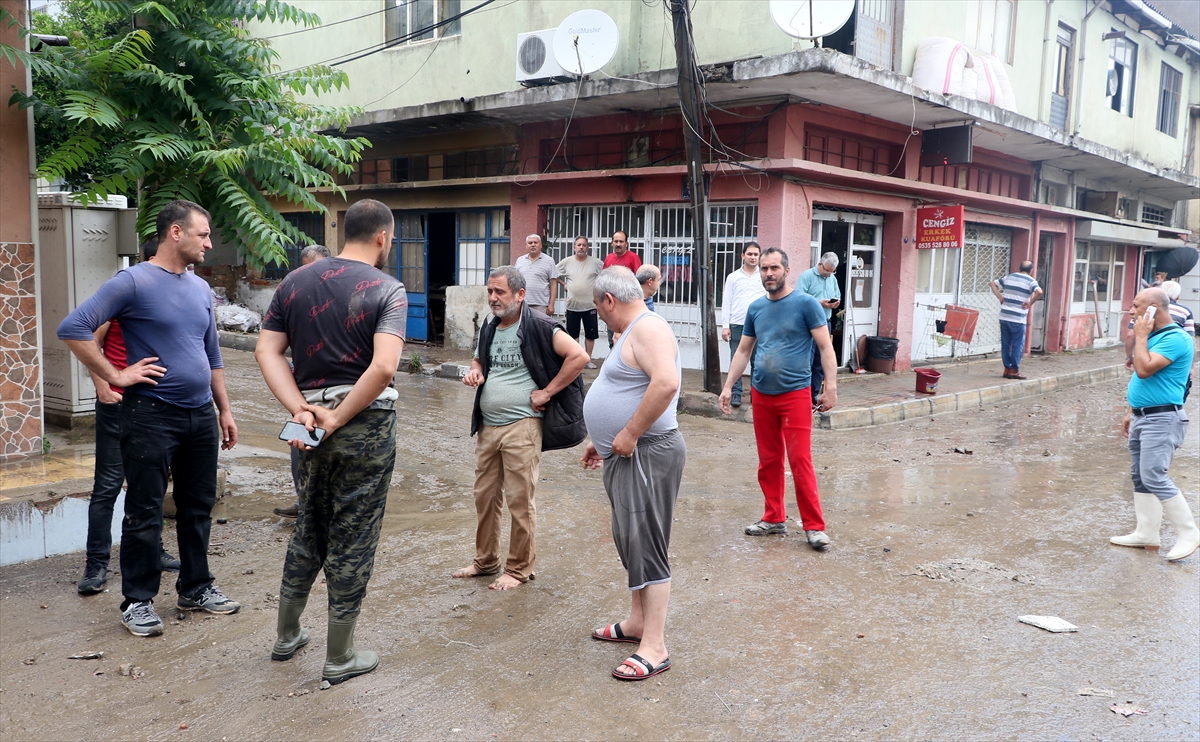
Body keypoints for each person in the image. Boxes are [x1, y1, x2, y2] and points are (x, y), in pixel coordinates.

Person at [58, 200, 240, 637]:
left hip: (199, 416)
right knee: (144, 510)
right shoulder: (133, 282)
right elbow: (74, 327)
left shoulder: (198, 289)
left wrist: (225, 409)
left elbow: (211, 353)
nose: (209, 243)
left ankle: (195, 587)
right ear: (175, 233)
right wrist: (115, 375)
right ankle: (138, 600)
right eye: (203, 234)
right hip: (151, 415)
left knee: (198, 507)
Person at [255, 199, 408, 685]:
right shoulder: (388, 289)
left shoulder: (295, 282)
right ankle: (339, 656)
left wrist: (300, 408)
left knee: (310, 523)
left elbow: (267, 350)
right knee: (354, 534)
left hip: (305, 422)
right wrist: (339, 416)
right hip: (362, 420)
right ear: (383, 237)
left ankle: (286, 636)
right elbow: (383, 367)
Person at [454, 266, 589, 590]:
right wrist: (476, 372)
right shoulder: (490, 326)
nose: (493, 298)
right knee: (484, 497)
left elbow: (579, 356)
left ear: (520, 295)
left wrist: (547, 392)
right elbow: (478, 360)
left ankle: (518, 569)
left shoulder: (542, 326)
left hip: (523, 427)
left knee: (519, 499)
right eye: (490, 291)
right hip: (488, 427)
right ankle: (485, 561)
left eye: (499, 292)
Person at [582, 267, 684, 681]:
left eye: (598, 308)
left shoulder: (648, 328)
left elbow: (666, 383)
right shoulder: (630, 332)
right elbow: (626, 388)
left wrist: (628, 432)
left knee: (648, 543)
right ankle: (638, 623)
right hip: (626, 454)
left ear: (609, 300)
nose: (600, 316)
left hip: (648, 452)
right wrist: (602, 437)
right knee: (631, 541)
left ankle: (654, 646)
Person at [77, 240, 181, 595]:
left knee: (151, 486)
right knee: (107, 485)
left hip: (156, 407)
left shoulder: (173, 294)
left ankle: (155, 551)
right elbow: (87, 334)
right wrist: (105, 384)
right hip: (119, 403)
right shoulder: (126, 289)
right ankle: (96, 564)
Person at [719, 247, 836, 550]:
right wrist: (728, 386)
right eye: (764, 269)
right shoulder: (756, 308)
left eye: (774, 268)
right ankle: (774, 517)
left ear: (787, 270)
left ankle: (814, 527)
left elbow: (825, 347)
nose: (768, 274)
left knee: (800, 461)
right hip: (761, 394)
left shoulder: (806, 304)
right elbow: (743, 351)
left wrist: (831, 386)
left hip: (795, 394)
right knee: (768, 461)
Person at [1110, 288, 1197, 562]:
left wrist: (1140, 335)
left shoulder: (1176, 339)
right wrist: (1131, 410)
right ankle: (1146, 533)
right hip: (1143, 415)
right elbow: (1146, 381)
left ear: (1153, 310)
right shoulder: (1156, 337)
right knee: (1140, 475)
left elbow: (1144, 369)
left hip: (1162, 418)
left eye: (1136, 306)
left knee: (1153, 475)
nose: (1131, 311)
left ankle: (1189, 532)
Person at [274, 243, 332, 520]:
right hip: (302, 388)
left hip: (334, 392)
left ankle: (323, 506)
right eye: (305, 268)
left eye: (316, 268)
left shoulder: (337, 300)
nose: (310, 275)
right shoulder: (294, 299)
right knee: (298, 446)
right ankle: (303, 500)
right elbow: (272, 349)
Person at [721, 243, 766, 408]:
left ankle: (756, 394)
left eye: (756, 254)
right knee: (736, 359)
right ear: (743, 256)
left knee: (758, 361)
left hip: (759, 325)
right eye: (750, 254)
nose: (753, 257)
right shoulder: (733, 277)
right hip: (737, 324)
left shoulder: (763, 276)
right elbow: (727, 302)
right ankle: (736, 393)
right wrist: (726, 326)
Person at [798, 252, 841, 405]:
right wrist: (819, 303)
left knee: (819, 362)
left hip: (826, 322)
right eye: (827, 270)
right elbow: (799, 299)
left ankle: (813, 396)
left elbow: (837, 294)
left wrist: (835, 303)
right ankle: (802, 397)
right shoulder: (806, 276)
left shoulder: (832, 278)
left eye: (832, 271)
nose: (829, 274)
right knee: (807, 361)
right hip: (809, 325)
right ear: (820, 264)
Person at [989, 260, 1043, 380]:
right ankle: (1014, 370)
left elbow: (992, 284)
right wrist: (1030, 303)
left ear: (1020, 268)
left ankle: (1006, 369)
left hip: (1004, 316)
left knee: (1006, 344)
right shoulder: (1031, 281)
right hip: (1018, 319)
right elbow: (1039, 291)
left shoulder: (1009, 277)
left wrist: (1000, 297)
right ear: (1031, 270)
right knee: (1017, 345)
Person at [555, 236, 603, 368]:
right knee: (573, 335)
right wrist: (564, 284)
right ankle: (577, 359)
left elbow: (605, 276)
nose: (581, 247)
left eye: (584, 245)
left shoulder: (596, 263)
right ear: (574, 247)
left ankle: (587, 359)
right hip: (573, 306)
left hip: (590, 305)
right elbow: (553, 273)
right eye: (579, 245)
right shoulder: (566, 262)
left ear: (587, 247)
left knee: (590, 334)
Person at [603, 231, 641, 346]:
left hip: (627, 305)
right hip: (612, 306)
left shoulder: (633, 258)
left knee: (627, 338)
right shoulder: (609, 258)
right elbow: (604, 278)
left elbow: (638, 280)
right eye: (616, 241)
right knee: (612, 339)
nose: (618, 244)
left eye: (621, 241)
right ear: (612, 243)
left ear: (626, 243)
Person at [515, 234, 558, 316]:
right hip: (522, 303)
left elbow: (553, 284)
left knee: (539, 328)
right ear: (526, 246)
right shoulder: (520, 260)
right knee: (523, 327)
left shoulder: (549, 261)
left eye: (535, 242)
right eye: (530, 243)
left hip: (541, 304)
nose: (533, 245)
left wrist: (551, 304)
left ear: (540, 245)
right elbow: (515, 282)